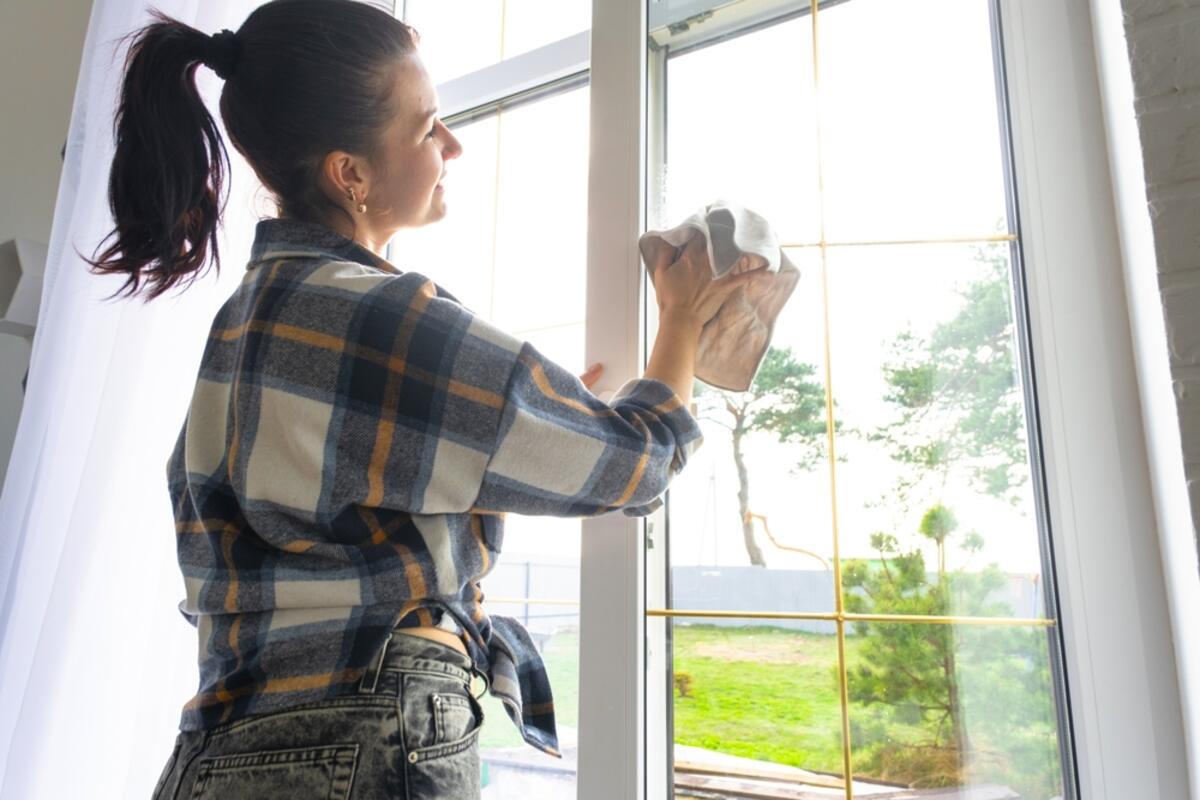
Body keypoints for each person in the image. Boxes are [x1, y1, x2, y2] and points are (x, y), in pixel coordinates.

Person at [86, 1, 755, 797]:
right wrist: (682, 318)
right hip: (361, 741)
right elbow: (636, 463)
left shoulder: (240, 326)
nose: (452, 145)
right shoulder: (386, 320)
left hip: (211, 756)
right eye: (428, 127)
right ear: (350, 173)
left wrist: (528, 427)